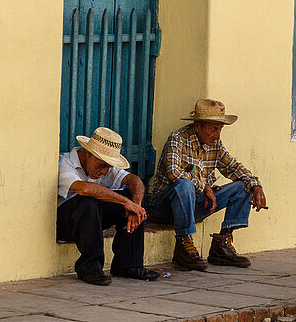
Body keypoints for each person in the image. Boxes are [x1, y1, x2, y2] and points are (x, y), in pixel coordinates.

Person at [146, 99, 267, 271]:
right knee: (184, 185)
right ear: (197, 126)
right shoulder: (177, 139)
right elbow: (174, 172)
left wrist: (257, 186)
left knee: (244, 186)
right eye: (213, 129)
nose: (217, 135)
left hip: (194, 205)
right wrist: (204, 186)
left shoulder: (215, 145)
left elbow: (234, 167)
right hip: (164, 209)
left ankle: (222, 243)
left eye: (219, 129)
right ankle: (184, 243)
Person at [57, 127, 161, 284]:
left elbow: (135, 181)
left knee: (133, 197)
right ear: (88, 153)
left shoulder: (104, 167)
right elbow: (84, 188)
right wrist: (126, 203)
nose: (105, 172)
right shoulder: (65, 163)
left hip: (91, 223)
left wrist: (136, 206)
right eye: (101, 165)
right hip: (65, 225)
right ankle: (90, 268)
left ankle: (128, 265)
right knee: (89, 199)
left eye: (108, 167)